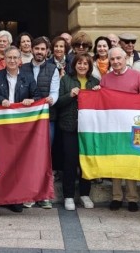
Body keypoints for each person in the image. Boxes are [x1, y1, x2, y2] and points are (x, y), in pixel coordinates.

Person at [0, 46, 40, 213]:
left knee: (16, 163)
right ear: (5, 59)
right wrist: (0, 100)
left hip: (21, 127)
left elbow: (37, 97)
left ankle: (14, 199)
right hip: (0, 126)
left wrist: (31, 100)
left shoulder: (28, 78)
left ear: (20, 60)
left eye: (16, 58)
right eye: (10, 58)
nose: (13, 61)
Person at [98, 47, 140, 212]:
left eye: (119, 58)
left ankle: (133, 198)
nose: (116, 62)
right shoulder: (105, 79)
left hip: (133, 126)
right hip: (113, 126)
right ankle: (116, 196)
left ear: (125, 58)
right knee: (115, 160)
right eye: (112, 59)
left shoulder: (138, 76)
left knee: (131, 162)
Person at [56, 53, 99, 211]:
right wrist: (70, 95)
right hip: (69, 127)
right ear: (74, 64)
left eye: (85, 64)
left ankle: (84, 194)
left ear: (89, 66)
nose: (82, 66)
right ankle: (68, 196)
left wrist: (98, 92)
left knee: (86, 160)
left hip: (88, 129)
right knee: (70, 161)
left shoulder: (95, 82)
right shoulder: (65, 80)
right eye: (79, 63)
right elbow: (58, 102)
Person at [21, 37, 60, 209]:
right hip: (26, 120)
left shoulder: (53, 69)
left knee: (46, 156)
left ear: (47, 51)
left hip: (47, 119)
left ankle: (44, 195)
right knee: (28, 156)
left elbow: (55, 93)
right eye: (36, 48)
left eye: (42, 49)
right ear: (32, 50)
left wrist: (50, 100)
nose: (39, 52)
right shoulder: (22, 68)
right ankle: (29, 193)